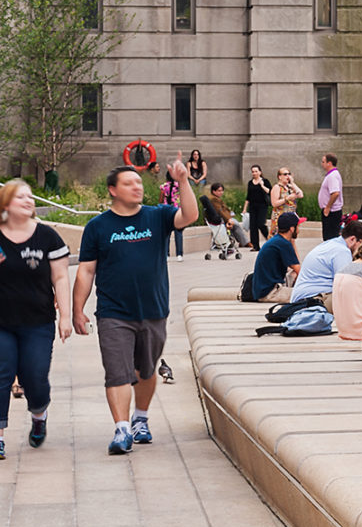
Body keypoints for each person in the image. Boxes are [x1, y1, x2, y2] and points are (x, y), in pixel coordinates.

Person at [72, 164, 200, 455]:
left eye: (139, 182)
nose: (137, 187)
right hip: (113, 312)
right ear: (113, 190)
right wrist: (77, 311)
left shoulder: (158, 216)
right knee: (117, 372)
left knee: (146, 369)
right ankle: (122, 429)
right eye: (129, 183)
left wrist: (182, 181)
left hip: (153, 310)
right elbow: (86, 271)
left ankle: (140, 419)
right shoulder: (98, 227)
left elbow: (190, 216)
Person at [0, 180, 73, 458]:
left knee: (35, 377)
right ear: (6, 203)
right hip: (1, 323)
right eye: (21, 197)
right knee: (1, 375)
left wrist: (65, 316)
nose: (29, 201)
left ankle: (39, 416)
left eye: (31, 197)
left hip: (37, 322)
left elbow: (60, 277)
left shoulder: (47, 237)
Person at [290, 218, 362, 310]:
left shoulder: (332, 244)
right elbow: (346, 284)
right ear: (352, 239)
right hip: (312, 300)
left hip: (305, 297)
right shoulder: (342, 251)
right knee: (359, 300)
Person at [248, 214, 302, 302]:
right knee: (308, 295)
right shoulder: (283, 243)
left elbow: (295, 270)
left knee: (293, 274)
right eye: (298, 227)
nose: (299, 230)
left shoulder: (277, 240)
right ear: (292, 229)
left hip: (262, 290)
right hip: (270, 293)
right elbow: (300, 271)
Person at [200, 183, 248, 247]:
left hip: (220, 218)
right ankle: (244, 242)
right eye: (219, 191)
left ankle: (242, 242)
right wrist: (229, 219)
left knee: (234, 224)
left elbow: (224, 210)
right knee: (235, 224)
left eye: (222, 190)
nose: (221, 192)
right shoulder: (213, 199)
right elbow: (220, 211)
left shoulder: (216, 198)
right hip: (217, 220)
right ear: (214, 191)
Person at [317, 153, 344, 242]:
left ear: (329, 163)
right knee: (328, 237)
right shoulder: (331, 175)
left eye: (323, 162)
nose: (322, 164)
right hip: (330, 211)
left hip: (331, 212)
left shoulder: (332, 176)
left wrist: (328, 207)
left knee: (330, 238)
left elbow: (335, 193)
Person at [244, 165, 272, 249]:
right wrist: (245, 208)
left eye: (256, 171)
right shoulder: (250, 182)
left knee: (261, 223)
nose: (254, 173)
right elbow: (248, 196)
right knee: (253, 226)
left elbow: (270, 191)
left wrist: (262, 185)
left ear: (260, 172)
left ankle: (270, 239)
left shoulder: (265, 181)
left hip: (262, 206)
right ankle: (255, 246)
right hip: (252, 206)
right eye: (253, 171)